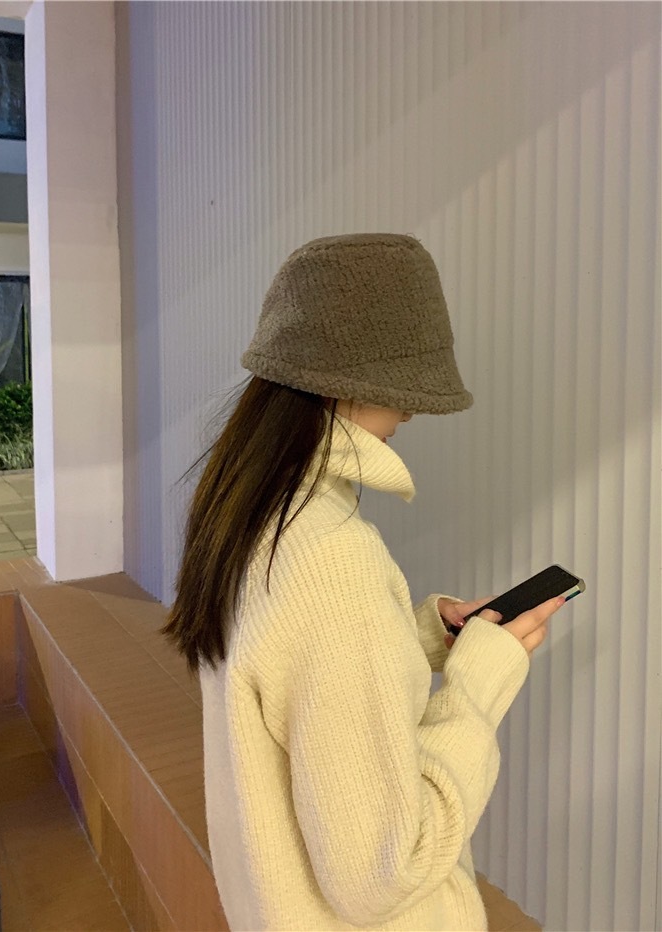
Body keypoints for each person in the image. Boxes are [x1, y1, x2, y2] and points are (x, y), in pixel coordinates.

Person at [164, 233, 562, 931]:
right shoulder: (333, 557)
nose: (409, 413)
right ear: (344, 384)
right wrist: (476, 687)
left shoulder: (249, 508)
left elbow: (284, 672)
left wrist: (419, 635)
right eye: (402, 392)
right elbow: (383, 875)